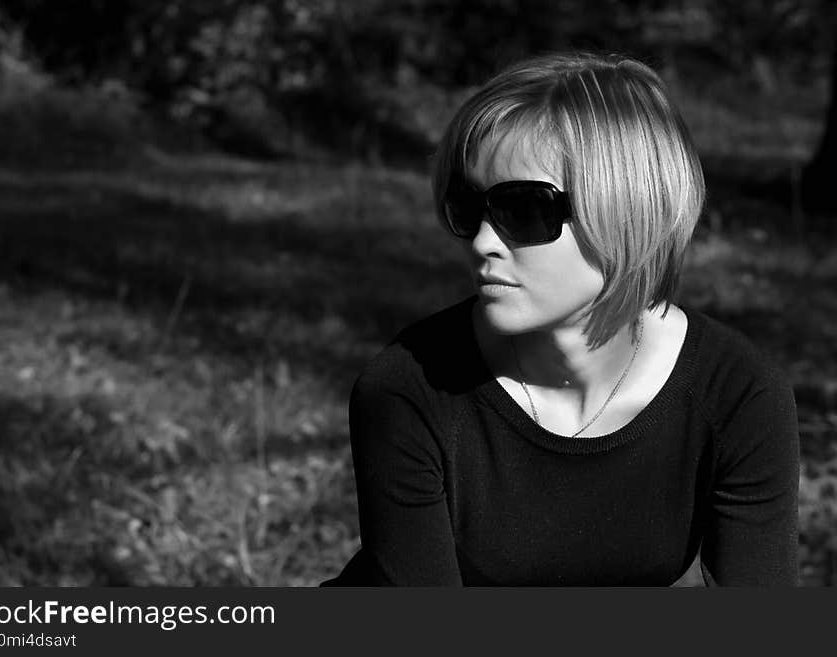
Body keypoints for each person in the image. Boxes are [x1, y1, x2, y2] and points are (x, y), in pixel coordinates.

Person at [322, 52, 799, 586]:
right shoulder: (411, 391)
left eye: (523, 209)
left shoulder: (736, 394)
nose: (482, 242)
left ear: (627, 212)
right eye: (468, 205)